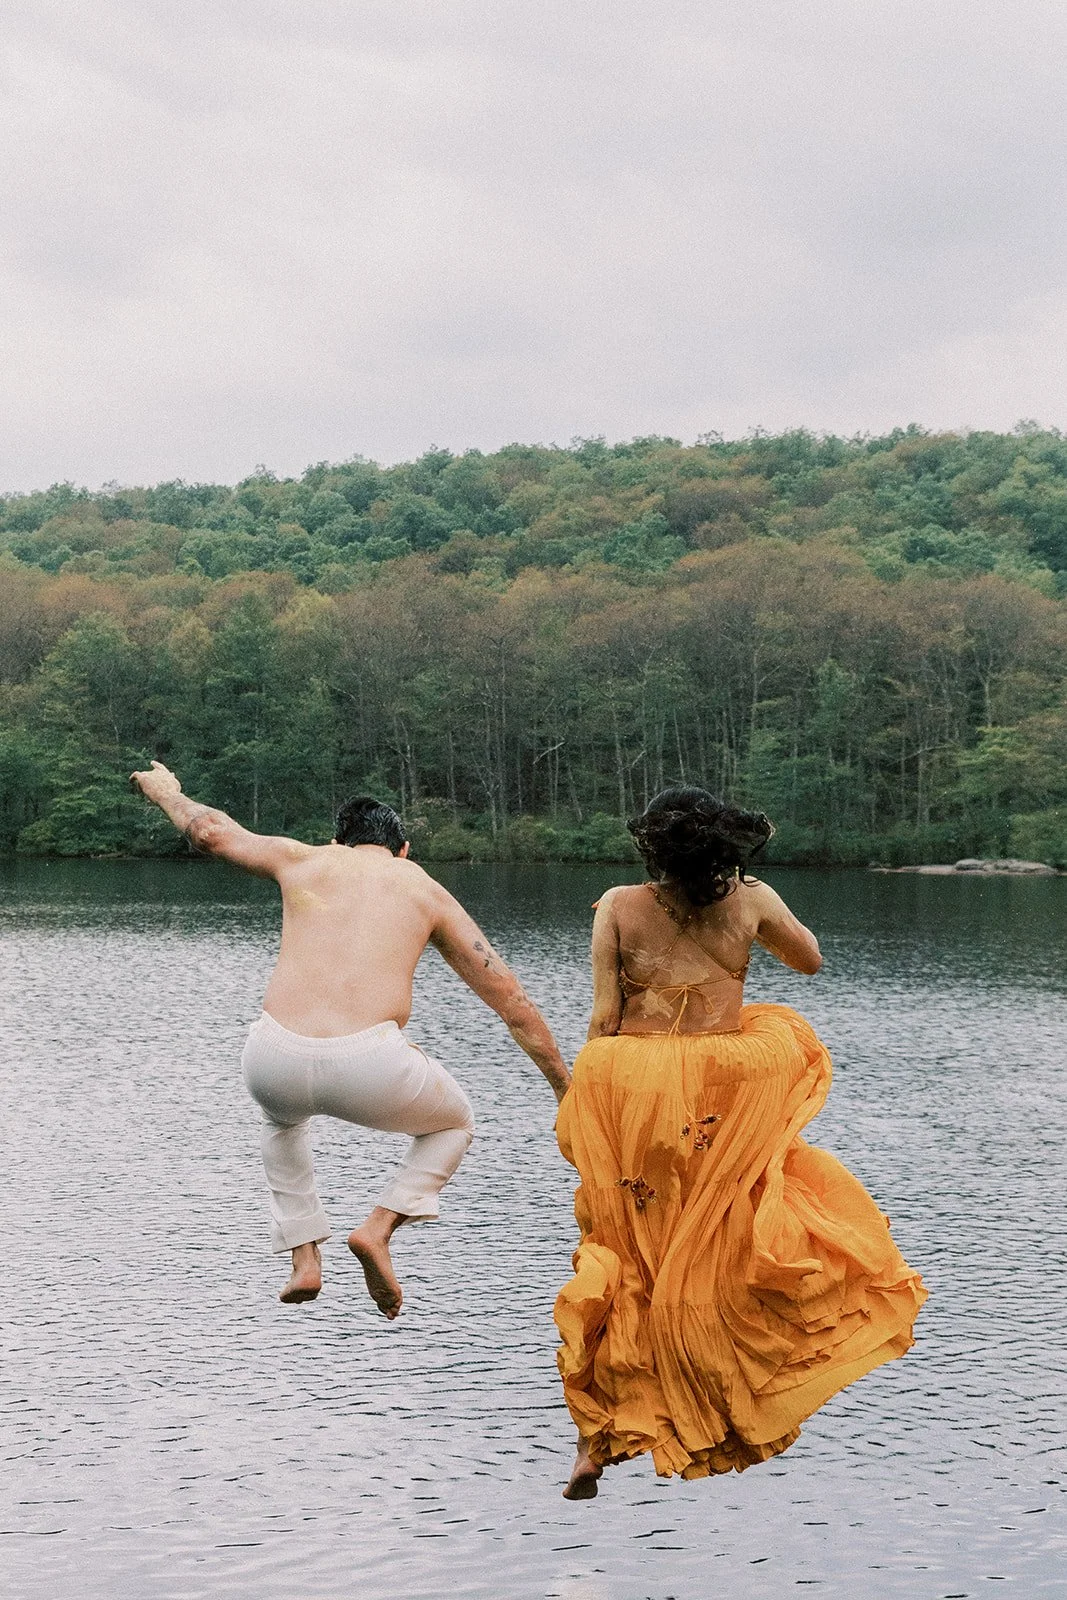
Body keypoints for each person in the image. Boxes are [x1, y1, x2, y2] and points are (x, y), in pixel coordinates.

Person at [554, 785, 927, 1499]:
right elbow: (808, 962)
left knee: (623, 1250)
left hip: (630, 1080)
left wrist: (588, 1113)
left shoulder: (616, 904)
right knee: (728, 1232)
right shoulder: (750, 899)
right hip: (726, 1085)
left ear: (652, 847)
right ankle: (730, 1404)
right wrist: (743, 915)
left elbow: (604, 1017)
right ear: (724, 843)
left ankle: (592, 1441)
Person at [129, 762, 570, 1317]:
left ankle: (304, 1256)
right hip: (370, 1065)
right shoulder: (424, 888)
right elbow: (511, 1001)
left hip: (272, 1058)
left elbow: (210, 833)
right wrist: (563, 1087)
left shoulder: (304, 857)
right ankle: (378, 1230)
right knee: (454, 1123)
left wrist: (167, 793)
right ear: (403, 849)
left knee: (280, 1123)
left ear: (338, 840)